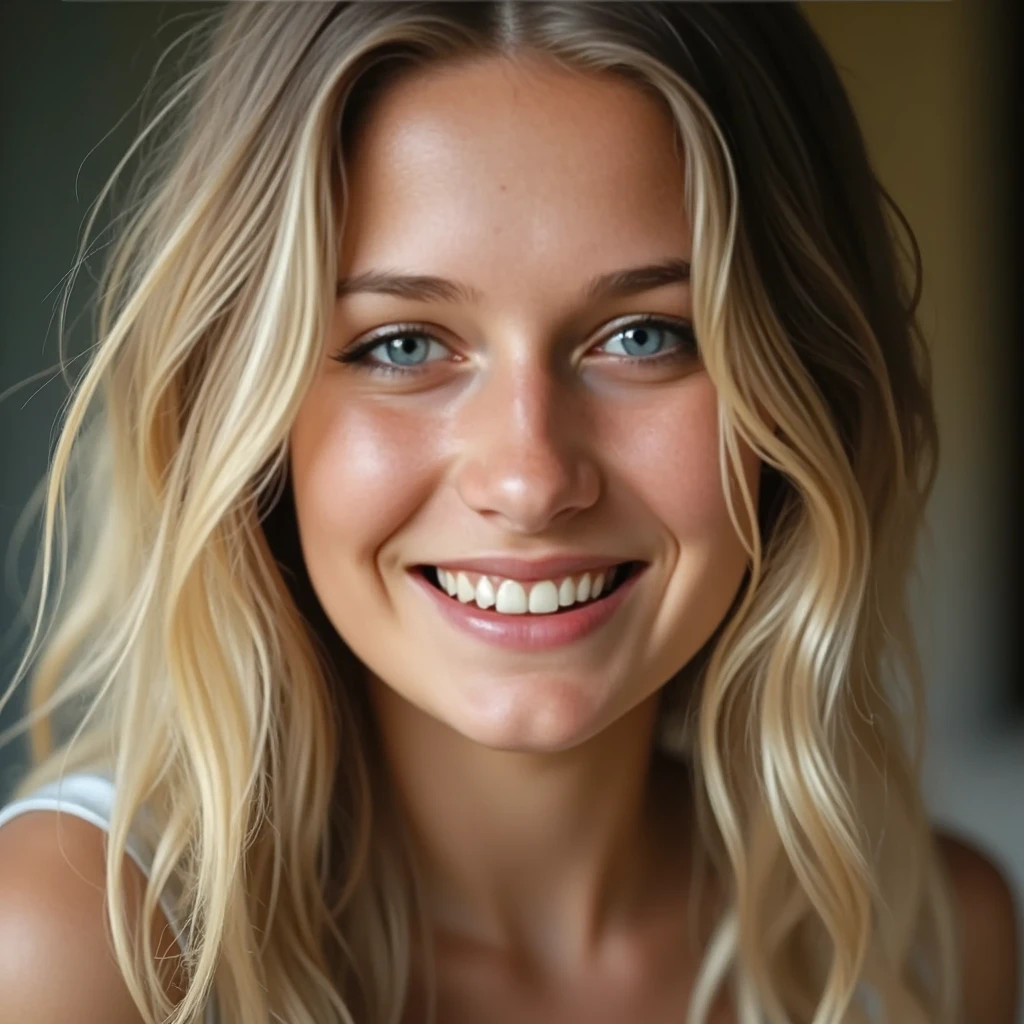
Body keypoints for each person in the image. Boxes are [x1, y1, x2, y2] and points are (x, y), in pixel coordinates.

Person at [0, 3, 1017, 1023]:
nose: (529, 481)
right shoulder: (82, 944)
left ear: (806, 393)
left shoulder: (929, 945)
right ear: (248, 412)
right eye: (402, 344)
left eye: (641, 336)